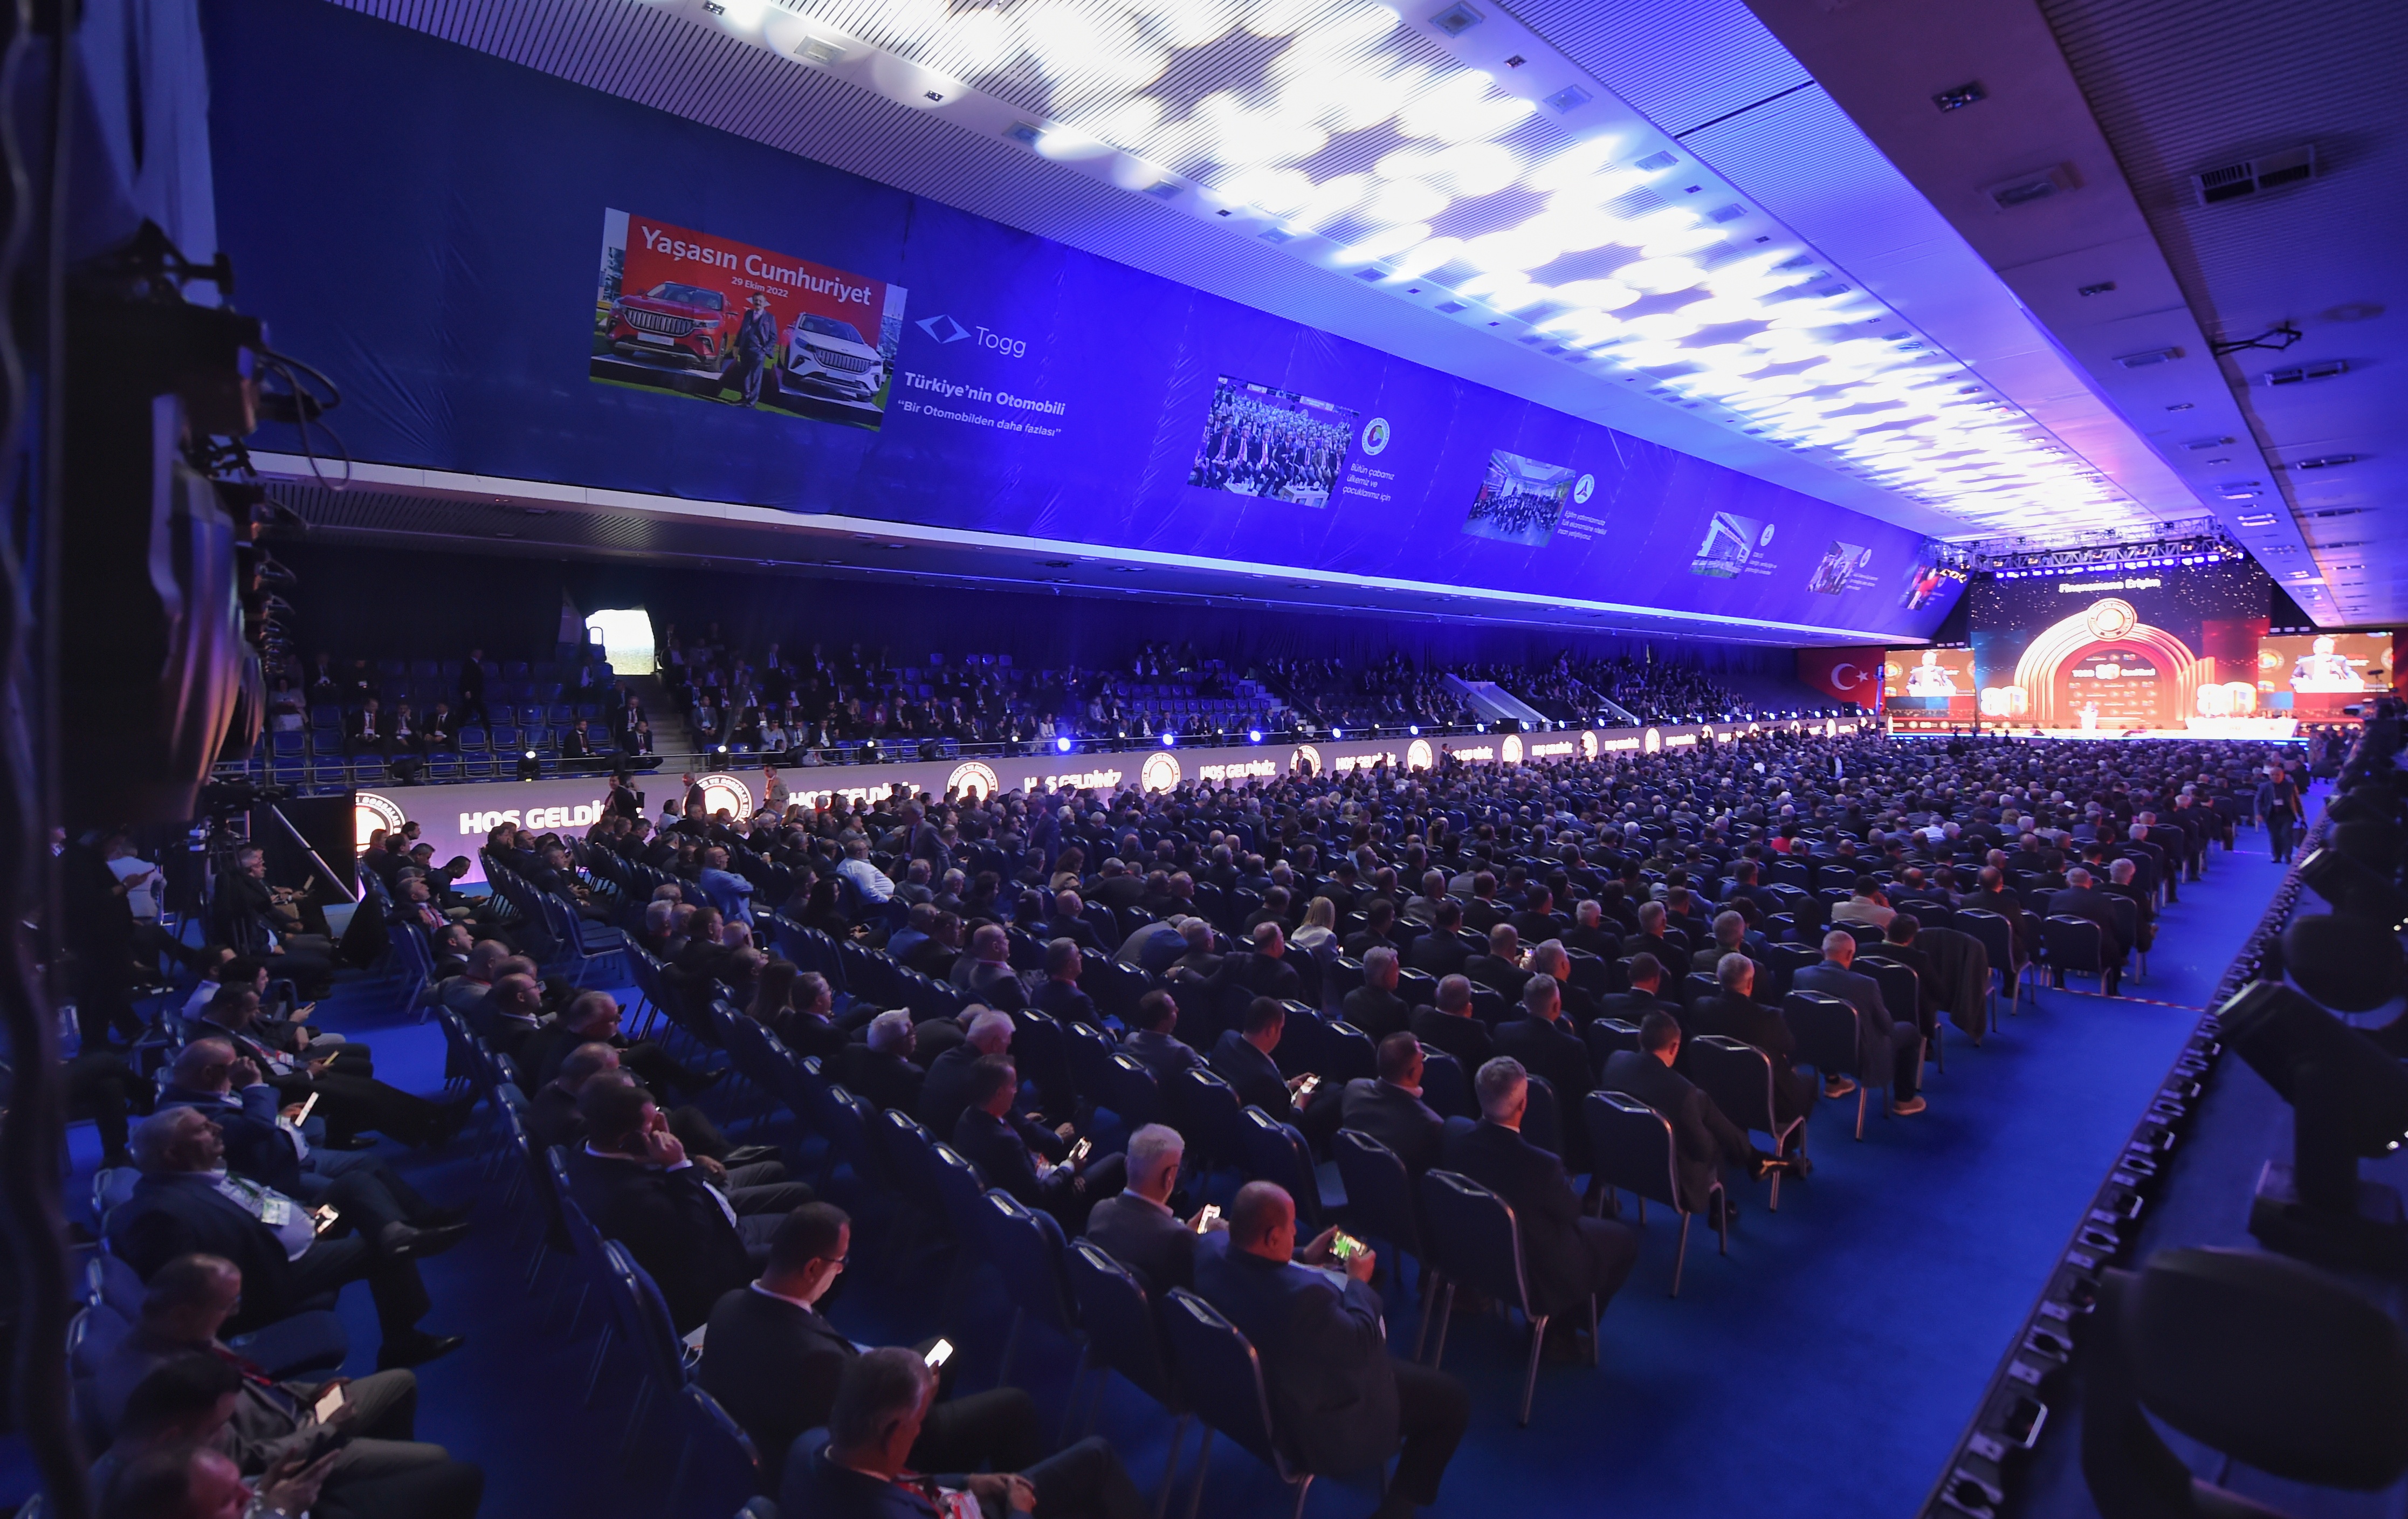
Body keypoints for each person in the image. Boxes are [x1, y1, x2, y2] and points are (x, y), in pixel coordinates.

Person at [93, 1254, 482, 1516]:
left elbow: (247, 1383)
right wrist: (325, 1431)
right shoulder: (159, 1392)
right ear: (182, 1313)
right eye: (227, 1306)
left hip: (294, 1414)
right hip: (287, 1450)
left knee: (401, 1381)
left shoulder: (184, 1334)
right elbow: (243, 1464)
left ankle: (382, 1475)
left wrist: (308, 1393)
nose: (234, 1313)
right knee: (437, 1461)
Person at [698, 1203, 1040, 1490]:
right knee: (1016, 1406)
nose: (841, 1271)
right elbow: (869, 1437)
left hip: (777, 1424)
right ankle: (941, 1462)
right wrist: (920, 1400)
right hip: (858, 1457)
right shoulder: (820, 1362)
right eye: (839, 1262)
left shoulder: (727, 1305)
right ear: (813, 1267)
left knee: (943, 1348)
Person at [105, 1110, 464, 1370]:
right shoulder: (159, 1213)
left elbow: (254, 1204)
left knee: (354, 1184)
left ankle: (396, 1233)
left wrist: (298, 1214)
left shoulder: (204, 1173)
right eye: (203, 1128)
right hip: (279, 1271)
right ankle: (402, 1342)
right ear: (171, 1154)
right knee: (378, 1253)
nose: (217, 1127)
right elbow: (189, 1291)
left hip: (307, 1230)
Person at [1194, 1181, 1469, 1518]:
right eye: (1290, 1226)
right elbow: (1363, 1342)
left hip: (1241, 1403)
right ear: (1272, 1237)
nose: (1296, 1231)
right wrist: (1357, 1282)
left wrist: (1302, 1257)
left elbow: (1252, 1258)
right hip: (1304, 1422)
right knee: (1452, 1401)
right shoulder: (1302, 1300)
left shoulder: (1207, 1251)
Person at [779, 1347, 1147, 1519]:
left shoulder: (809, 1446)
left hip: (948, 1501)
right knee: (1097, 1458)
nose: (920, 1430)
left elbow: (895, 1480)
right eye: (917, 1422)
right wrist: (1020, 1512)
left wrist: (968, 1481)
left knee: (1093, 1458)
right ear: (893, 1433)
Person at [564, 1077, 813, 1331]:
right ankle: (793, 1330)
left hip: (700, 1236)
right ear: (629, 1141)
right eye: (654, 1125)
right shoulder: (634, 1198)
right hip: (713, 1269)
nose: (662, 1130)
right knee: (811, 1249)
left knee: (800, 1202)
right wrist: (678, 1165)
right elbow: (698, 1238)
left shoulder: (586, 1154)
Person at [1441, 1058, 1642, 1355]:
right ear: (1523, 1105)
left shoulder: (1454, 1137)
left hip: (1476, 1256)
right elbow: (1573, 1213)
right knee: (1624, 1242)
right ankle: (1561, 1330)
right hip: (1530, 1271)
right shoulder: (1542, 1166)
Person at [1600, 1014, 1773, 1223]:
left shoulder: (1615, 1061)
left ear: (1640, 1038)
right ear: (1674, 1047)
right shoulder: (1684, 1092)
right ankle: (1721, 1209)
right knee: (1714, 1141)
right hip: (1668, 1181)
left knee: (1702, 1111)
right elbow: (1703, 1152)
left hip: (1620, 1162)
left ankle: (1752, 1158)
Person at [950, 1055, 1124, 1230]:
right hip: (1046, 1207)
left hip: (1029, 1178)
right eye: (1013, 1085)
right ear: (999, 1094)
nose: (1016, 1090)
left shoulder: (967, 1118)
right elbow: (1040, 1196)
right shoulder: (1007, 1143)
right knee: (1118, 1161)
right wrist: (1069, 1168)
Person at [1791, 931, 1926, 1115]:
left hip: (1819, 1046)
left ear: (1823, 951)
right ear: (1850, 955)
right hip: (1861, 1055)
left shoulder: (1801, 975)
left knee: (1823, 1023)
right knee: (1910, 1032)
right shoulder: (1866, 985)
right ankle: (1904, 1100)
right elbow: (1887, 1027)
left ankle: (1833, 1081)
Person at [1083, 1124, 1222, 1294]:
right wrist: (1211, 1242)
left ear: (1127, 1165)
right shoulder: (1179, 1242)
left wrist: (1183, 1231)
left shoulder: (1100, 1210)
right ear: (1170, 1177)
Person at [1687, 954, 1818, 1128]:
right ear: (1750, 983)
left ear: (1718, 978)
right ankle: (1791, 1139)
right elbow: (1791, 1046)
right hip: (1767, 1102)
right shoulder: (1771, 1018)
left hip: (1717, 1091)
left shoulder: (1701, 1007)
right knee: (1810, 1083)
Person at [1337, 1033, 1453, 1174]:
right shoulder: (1430, 1125)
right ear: (1412, 1074)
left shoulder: (1353, 1089)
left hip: (1357, 1175)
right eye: (1421, 1059)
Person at [1208, 998, 1323, 1125]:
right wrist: (1299, 1107)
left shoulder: (1226, 1038)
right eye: (1281, 1029)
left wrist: (1286, 1088)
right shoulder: (1267, 1079)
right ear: (1271, 1031)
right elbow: (1284, 1127)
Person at [2045, 867, 2128, 995]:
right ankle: (2113, 990)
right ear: (2090, 882)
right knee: (2114, 946)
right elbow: (2114, 928)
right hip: (2097, 954)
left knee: (2058, 937)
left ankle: (2059, 982)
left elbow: (2050, 926)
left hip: (2061, 952)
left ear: (2067, 882)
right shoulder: (2103, 900)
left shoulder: (2056, 897)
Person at [1118, 990, 1202, 1082]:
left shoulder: (1130, 1040)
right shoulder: (1182, 1053)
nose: (1177, 1010)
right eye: (1173, 1010)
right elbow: (1206, 1084)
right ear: (1163, 1023)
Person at [1409, 975, 1491, 1068]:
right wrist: (1465, 1020)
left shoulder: (1419, 1014)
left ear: (1436, 993)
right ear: (1468, 1006)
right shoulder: (1477, 1036)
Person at [1343, 945, 1412, 1039]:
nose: (1399, 974)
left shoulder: (1350, 999)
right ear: (1386, 976)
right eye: (1396, 970)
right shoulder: (1397, 1008)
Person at [728, 291, 778, 408]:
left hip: (759, 351)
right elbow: (742, 331)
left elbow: (774, 337)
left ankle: (751, 403)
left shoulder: (770, 318)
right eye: (756, 300)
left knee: (756, 377)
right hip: (745, 349)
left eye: (760, 301)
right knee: (745, 375)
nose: (758, 303)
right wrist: (736, 345)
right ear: (753, 301)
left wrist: (764, 350)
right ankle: (744, 398)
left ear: (765, 303)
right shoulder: (748, 314)